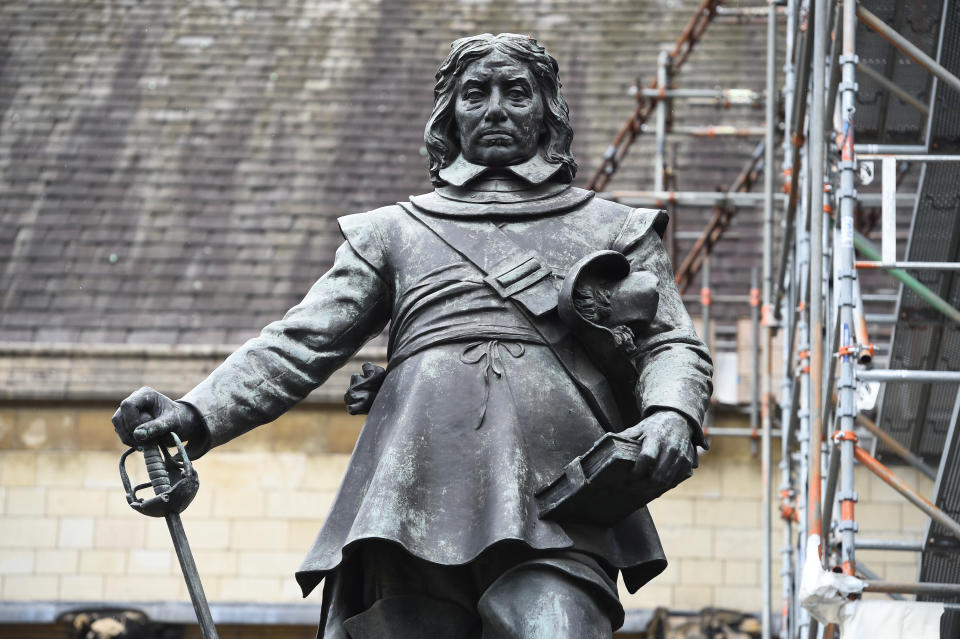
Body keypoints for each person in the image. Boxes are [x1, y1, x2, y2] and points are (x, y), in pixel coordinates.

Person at [113, 33, 712, 639]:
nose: (496, 108)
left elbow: (671, 342)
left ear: (547, 111)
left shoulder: (615, 228)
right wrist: (192, 414)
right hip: (411, 493)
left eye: (517, 92)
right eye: (475, 94)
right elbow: (297, 344)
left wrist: (671, 413)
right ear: (450, 115)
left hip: (559, 493)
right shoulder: (392, 232)